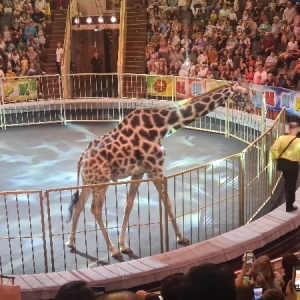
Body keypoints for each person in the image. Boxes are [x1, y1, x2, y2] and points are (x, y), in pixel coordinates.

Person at [270, 122, 300, 212]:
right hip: (293, 165)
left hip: (283, 164)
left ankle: (288, 202)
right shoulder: (298, 141)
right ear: (296, 130)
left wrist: (277, 157)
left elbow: (273, 149)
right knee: (292, 185)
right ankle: (289, 205)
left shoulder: (281, 138)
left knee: (287, 182)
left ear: (289, 129)